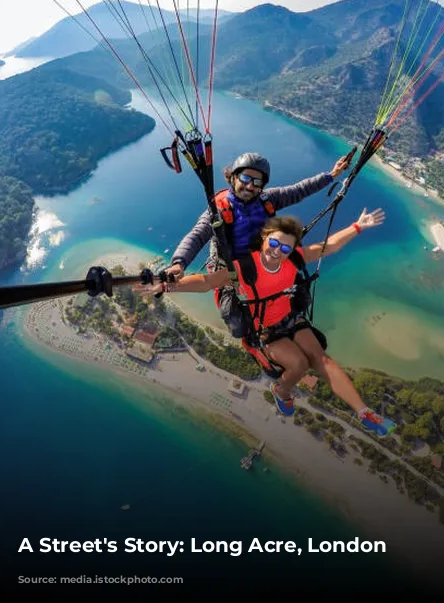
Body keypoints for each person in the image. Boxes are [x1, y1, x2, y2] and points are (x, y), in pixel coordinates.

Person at [151, 208, 396, 437]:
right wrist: (168, 285)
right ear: (264, 238)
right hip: (265, 331)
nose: (277, 251)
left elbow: (329, 246)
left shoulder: (293, 260)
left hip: (291, 318)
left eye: (285, 248)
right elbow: (205, 282)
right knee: (299, 364)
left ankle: (365, 413)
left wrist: (358, 226)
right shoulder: (245, 267)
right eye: (274, 243)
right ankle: (281, 392)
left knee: (321, 358)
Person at [165, 151, 352, 335]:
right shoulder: (218, 210)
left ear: (262, 185)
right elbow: (197, 236)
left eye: (256, 182)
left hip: (264, 261)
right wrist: (179, 263)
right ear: (233, 177)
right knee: (238, 324)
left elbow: (299, 190)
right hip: (233, 268)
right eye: (245, 178)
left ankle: (284, 322)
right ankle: (257, 336)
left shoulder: (267, 199)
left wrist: (331, 175)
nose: (249, 186)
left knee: (300, 297)